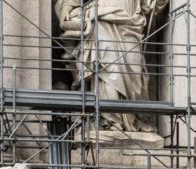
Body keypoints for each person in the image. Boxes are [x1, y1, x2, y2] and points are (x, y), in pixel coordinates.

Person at [55, 0, 169, 131]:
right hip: (102, 21)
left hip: (131, 23)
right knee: (107, 70)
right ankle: (109, 121)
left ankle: (135, 119)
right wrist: (66, 8)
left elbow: (150, 4)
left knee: (134, 70)